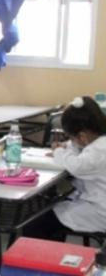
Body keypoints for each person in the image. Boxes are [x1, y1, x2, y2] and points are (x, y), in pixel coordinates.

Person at [23, 96, 106, 241]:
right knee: (53, 213)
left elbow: (76, 166)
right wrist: (67, 146)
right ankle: (54, 257)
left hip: (100, 211)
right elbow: (75, 147)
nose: (71, 141)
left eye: (71, 137)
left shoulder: (98, 151)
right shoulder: (98, 142)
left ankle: (47, 261)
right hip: (96, 201)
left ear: (82, 136)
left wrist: (58, 151)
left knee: (35, 225)